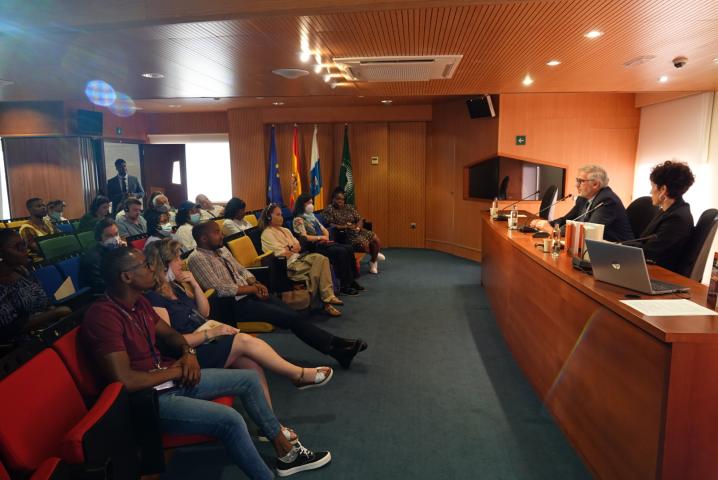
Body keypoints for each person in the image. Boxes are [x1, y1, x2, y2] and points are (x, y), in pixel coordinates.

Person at [80, 247, 331, 479]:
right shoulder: (103, 316)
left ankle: (287, 454)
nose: (151, 268)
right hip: (147, 402)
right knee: (230, 419)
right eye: (145, 266)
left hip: (168, 377)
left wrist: (188, 353)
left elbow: (171, 335)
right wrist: (179, 369)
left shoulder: (140, 302)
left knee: (249, 378)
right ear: (126, 277)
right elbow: (125, 380)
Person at [144, 239, 333, 407]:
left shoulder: (175, 287)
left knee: (251, 362)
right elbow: (171, 341)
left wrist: (194, 284)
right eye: (176, 260)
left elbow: (204, 312)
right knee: (242, 340)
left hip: (203, 340)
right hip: (189, 355)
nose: (180, 264)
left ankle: (270, 424)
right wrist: (211, 333)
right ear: (163, 265)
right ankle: (298, 375)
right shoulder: (153, 298)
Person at [188, 221, 366, 369]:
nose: (221, 235)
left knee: (293, 316)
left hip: (250, 295)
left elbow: (241, 270)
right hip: (232, 306)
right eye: (217, 233)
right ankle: (337, 348)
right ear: (203, 238)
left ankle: (337, 347)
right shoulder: (197, 259)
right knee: (291, 319)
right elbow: (219, 289)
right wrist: (252, 289)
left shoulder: (222, 250)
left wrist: (254, 282)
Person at [260, 204, 344, 316]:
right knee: (319, 265)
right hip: (289, 266)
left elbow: (298, 246)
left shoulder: (285, 230)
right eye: (278, 215)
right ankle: (327, 301)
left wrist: (290, 248)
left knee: (322, 259)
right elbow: (281, 254)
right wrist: (291, 248)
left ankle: (325, 300)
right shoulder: (267, 234)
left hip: (300, 258)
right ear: (269, 217)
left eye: (281, 214)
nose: (282, 217)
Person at [530, 164, 634, 242]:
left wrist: (552, 231)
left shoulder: (607, 201)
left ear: (595, 184)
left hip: (616, 253)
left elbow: (588, 233)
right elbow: (567, 219)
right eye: (577, 180)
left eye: (581, 181)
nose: (576, 185)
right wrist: (547, 224)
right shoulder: (584, 198)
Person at [0, 230, 71, 343]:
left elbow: (44, 299)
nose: (24, 250)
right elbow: (11, 329)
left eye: (23, 244)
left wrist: (56, 316)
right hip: (22, 345)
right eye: (17, 247)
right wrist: (55, 313)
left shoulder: (22, 271)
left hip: (47, 329)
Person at [292, 193, 363, 295]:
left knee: (348, 248)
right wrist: (321, 237)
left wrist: (325, 237)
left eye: (311, 202)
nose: (311, 205)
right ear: (301, 204)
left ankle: (351, 280)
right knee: (341, 251)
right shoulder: (298, 220)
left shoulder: (312, 217)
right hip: (312, 247)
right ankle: (343, 284)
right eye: (308, 203)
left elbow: (324, 230)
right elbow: (304, 237)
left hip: (323, 243)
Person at [635, 161, 695, 273]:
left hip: (659, 274)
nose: (650, 191)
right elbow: (645, 243)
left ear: (663, 189)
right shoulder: (669, 210)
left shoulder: (677, 218)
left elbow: (649, 251)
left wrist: (618, 247)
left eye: (653, 186)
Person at [322, 188, 385, 274]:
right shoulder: (329, 209)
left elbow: (360, 219)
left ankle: (373, 261)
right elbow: (330, 225)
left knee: (375, 239)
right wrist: (345, 226)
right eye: (338, 199)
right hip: (344, 234)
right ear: (333, 199)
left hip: (356, 230)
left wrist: (358, 227)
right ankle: (375, 255)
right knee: (364, 244)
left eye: (342, 199)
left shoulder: (349, 207)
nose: (340, 201)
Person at [79, 218, 125, 295]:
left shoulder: (116, 250)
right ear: (99, 238)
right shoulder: (93, 258)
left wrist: (124, 252)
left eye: (116, 234)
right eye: (109, 236)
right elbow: (102, 286)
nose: (115, 239)